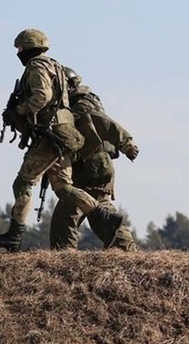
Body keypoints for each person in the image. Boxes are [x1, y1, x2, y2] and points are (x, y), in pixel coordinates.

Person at [0, 29, 125, 252]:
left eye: (20, 48)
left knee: (22, 183)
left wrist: (20, 110)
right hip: (64, 135)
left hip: (50, 136)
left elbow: (42, 96)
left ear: (28, 47)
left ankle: (14, 235)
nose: (18, 53)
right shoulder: (55, 66)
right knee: (64, 188)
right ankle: (104, 217)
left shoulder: (37, 66)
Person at [49, 67, 139, 251]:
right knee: (100, 209)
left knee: (67, 213)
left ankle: (63, 256)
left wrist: (126, 143)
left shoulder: (81, 105)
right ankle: (126, 249)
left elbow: (103, 122)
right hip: (96, 165)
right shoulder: (77, 103)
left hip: (92, 167)